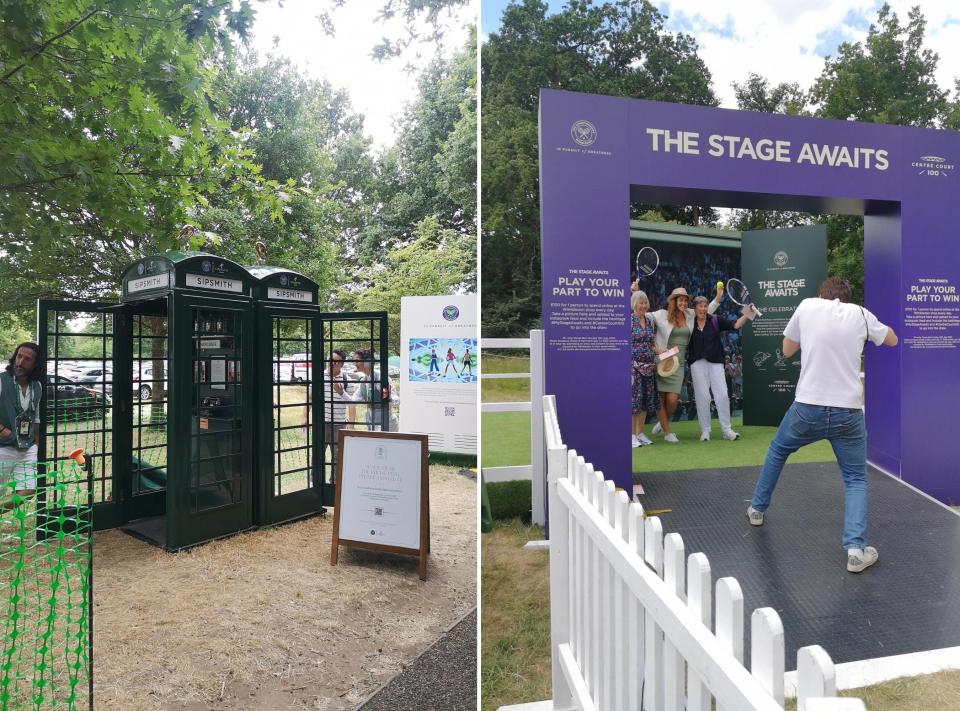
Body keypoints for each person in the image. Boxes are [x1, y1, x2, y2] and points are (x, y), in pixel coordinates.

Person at [747, 277, 898, 574]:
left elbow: (788, 349)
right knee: (855, 479)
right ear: (847, 296)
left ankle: (756, 510)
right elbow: (892, 339)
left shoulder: (807, 306)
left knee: (778, 451)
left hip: (808, 408)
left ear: (821, 295)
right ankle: (855, 550)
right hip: (848, 413)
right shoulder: (861, 314)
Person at [648, 286, 720, 442]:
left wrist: (718, 297)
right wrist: (634, 291)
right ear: (673, 301)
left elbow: (707, 310)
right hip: (662, 363)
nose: (684, 303)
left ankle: (662, 423)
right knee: (660, 398)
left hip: (679, 364)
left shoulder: (689, 315)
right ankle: (668, 433)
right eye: (680, 299)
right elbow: (640, 313)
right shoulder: (660, 315)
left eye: (685, 300)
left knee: (673, 400)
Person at [688, 295, 755, 441]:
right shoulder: (688, 322)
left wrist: (750, 312)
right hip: (697, 363)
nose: (703, 309)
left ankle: (727, 430)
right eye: (700, 306)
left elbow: (735, 325)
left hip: (716, 363)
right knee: (702, 398)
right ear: (695, 308)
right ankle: (705, 431)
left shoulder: (715, 320)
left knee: (723, 395)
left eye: (705, 306)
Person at [0, 343, 45, 506]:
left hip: (27, 449)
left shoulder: (37, 386)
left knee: (29, 490)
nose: (20, 362)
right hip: (3, 447)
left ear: (35, 364)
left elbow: (37, 417)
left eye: (27, 359)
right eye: (19, 356)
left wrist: (36, 444)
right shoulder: (1, 380)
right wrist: (5, 432)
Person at [630, 290, 658, 447]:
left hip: (649, 366)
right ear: (634, 304)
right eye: (640, 302)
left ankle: (640, 433)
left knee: (646, 401)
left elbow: (652, 345)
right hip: (633, 367)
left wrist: (665, 351)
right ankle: (631, 435)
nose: (643, 305)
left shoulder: (649, 321)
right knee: (635, 402)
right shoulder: (629, 320)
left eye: (645, 302)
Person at [322, 349, 353, 486]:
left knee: (337, 457)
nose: (332, 363)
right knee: (317, 456)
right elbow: (310, 399)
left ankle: (334, 486)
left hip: (339, 424)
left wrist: (341, 392)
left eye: (336, 361)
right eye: (330, 360)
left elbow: (352, 404)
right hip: (322, 423)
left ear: (341, 364)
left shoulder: (348, 380)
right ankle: (315, 483)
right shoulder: (319, 376)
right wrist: (305, 418)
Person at [350, 348, 393, 431]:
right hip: (372, 424)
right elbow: (352, 401)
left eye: (357, 361)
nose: (354, 363)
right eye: (354, 361)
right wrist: (341, 393)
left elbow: (396, 400)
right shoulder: (364, 381)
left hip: (387, 424)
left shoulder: (380, 378)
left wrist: (389, 397)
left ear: (367, 362)